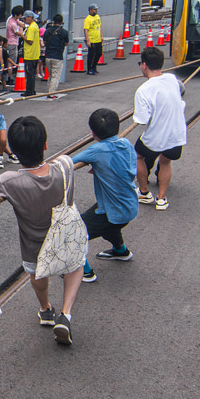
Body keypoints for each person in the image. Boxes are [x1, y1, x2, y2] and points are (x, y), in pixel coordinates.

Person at [0, 116, 82, 345]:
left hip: (34, 245)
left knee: (37, 275)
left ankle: (46, 309)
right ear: (44, 145)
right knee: (76, 264)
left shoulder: (8, 181)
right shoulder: (65, 165)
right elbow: (57, 163)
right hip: (65, 237)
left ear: (12, 149)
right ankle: (65, 313)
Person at [74, 108, 138, 284]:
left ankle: (84, 272)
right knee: (111, 225)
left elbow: (68, 163)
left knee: (72, 233)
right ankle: (121, 251)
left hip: (113, 211)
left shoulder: (96, 150)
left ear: (92, 132)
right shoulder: (125, 143)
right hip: (130, 207)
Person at [133, 47, 186, 210]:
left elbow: (142, 120)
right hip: (177, 134)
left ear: (144, 65)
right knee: (166, 161)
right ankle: (161, 199)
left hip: (156, 137)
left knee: (137, 156)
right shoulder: (172, 79)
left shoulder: (143, 90)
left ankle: (144, 192)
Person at [43, 14, 70, 97]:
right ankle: (51, 93)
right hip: (57, 56)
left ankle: (49, 91)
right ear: (62, 22)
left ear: (53, 22)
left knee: (50, 75)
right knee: (55, 76)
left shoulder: (47, 30)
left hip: (48, 56)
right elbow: (66, 43)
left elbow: (44, 42)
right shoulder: (64, 32)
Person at [21, 10, 41, 96]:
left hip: (30, 54)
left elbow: (29, 41)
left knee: (30, 74)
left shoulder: (32, 28)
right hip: (35, 54)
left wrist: (21, 35)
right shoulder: (35, 26)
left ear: (30, 18)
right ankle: (32, 90)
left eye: (25, 18)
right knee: (32, 74)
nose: (24, 20)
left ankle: (29, 91)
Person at [84, 4, 103, 74]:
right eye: (94, 9)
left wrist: (101, 36)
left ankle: (94, 66)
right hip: (92, 39)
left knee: (99, 53)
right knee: (91, 55)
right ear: (90, 10)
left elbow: (100, 26)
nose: (96, 11)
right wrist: (87, 40)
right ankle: (89, 69)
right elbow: (86, 30)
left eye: (96, 9)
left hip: (98, 39)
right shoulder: (88, 19)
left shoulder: (97, 17)